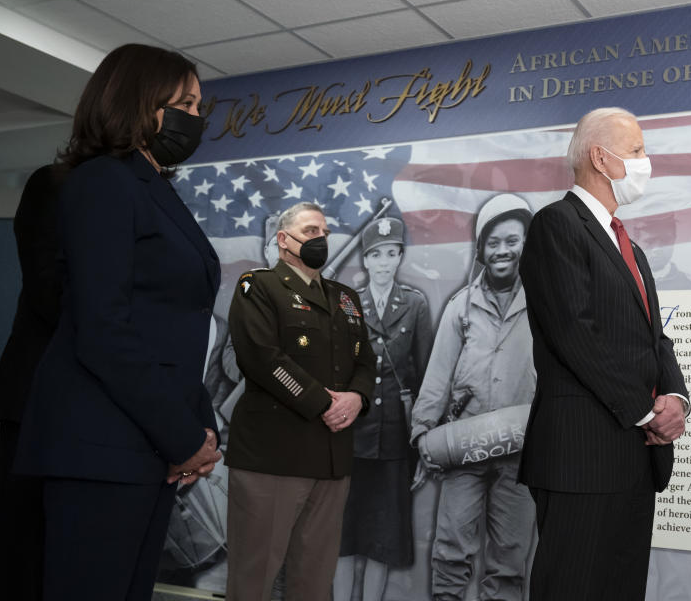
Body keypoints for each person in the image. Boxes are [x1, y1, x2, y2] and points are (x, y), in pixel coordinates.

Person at [12, 44, 222, 601]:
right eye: (184, 103)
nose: (196, 118)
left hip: (144, 444)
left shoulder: (152, 187)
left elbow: (177, 324)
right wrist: (182, 436)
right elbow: (103, 328)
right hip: (101, 444)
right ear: (138, 103)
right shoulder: (103, 181)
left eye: (199, 105)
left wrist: (201, 428)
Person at [517, 107, 689, 601]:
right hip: (582, 457)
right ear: (600, 156)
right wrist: (645, 412)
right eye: (635, 151)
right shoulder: (557, 225)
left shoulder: (629, 246)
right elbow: (575, 333)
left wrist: (675, 395)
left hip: (634, 457)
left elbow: (655, 337)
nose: (644, 161)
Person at [224, 201, 376, 601]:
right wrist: (325, 404)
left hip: (331, 459)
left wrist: (357, 398)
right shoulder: (257, 287)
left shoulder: (345, 297)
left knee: (314, 580)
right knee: (254, 579)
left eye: (325, 232)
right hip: (273, 458)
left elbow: (365, 360)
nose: (321, 239)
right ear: (283, 240)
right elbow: (262, 357)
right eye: (311, 231)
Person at [409, 193, 537, 601]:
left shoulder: (547, 303)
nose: (503, 250)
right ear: (481, 249)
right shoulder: (460, 306)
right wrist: (423, 433)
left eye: (512, 240)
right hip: (464, 446)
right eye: (494, 242)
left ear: (527, 244)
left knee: (510, 558)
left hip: (523, 452)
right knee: (450, 549)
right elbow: (438, 374)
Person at [335, 216, 433, 601]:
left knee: (383, 538)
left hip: (394, 442)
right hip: (351, 439)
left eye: (392, 254)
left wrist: (423, 436)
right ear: (365, 260)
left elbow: (425, 377)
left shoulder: (415, 304)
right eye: (377, 255)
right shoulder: (348, 305)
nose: (384, 263)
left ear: (400, 257)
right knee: (344, 534)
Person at [0, 164, 64, 601]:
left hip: (94, 405)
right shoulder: (57, 183)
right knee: (25, 549)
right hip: (39, 395)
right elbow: (49, 290)